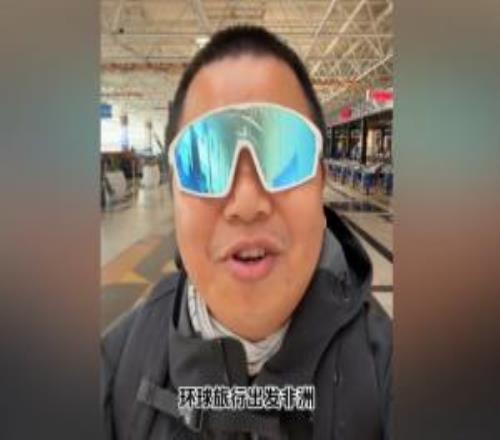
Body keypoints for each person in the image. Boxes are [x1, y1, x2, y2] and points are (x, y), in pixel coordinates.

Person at [101, 25, 392, 440]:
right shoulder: (112, 373)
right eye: (204, 161)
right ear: (174, 191)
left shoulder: (388, 373)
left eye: (285, 153)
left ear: (320, 183)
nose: (247, 202)